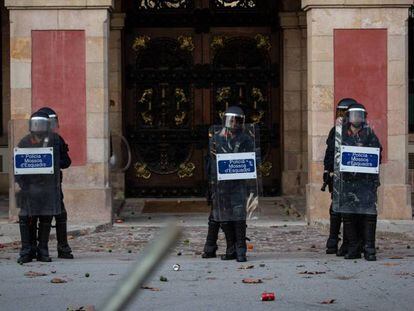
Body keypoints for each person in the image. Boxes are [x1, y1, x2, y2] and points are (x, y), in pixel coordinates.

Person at [209, 106, 259, 262]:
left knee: (238, 215)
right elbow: (211, 160)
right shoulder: (217, 137)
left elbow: (255, 159)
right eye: (232, 120)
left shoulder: (245, 139)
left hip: (239, 184)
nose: (234, 124)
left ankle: (241, 249)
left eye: (237, 121)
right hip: (221, 183)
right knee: (224, 216)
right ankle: (231, 248)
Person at [335, 103, 382, 261]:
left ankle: (369, 248)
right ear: (348, 116)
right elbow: (335, 153)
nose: (357, 118)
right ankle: (353, 247)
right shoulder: (342, 133)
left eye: (359, 115)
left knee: (369, 214)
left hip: (366, 182)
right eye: (354, 115)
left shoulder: (369, 133)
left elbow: (377, 154)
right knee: (348, 214)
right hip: (347, 181)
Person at [16, 111, 61, 263]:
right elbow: (18, 164)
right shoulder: (24, 142)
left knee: (46, 218)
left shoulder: (53, 141)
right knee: (25, 217)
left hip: (47, 188)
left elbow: (58, 164)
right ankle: (26, 250)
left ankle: (43, 250)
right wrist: (24, 186)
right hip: (29, 189)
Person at [37, 107, 73, 259]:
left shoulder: (57, 140)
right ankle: (42, 249)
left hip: (54, 184)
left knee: (60, 215)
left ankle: (62, 248)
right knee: (43, 216)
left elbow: (66, 162)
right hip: (38, 184)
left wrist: (54, 161)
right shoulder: (32, 140)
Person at [323, 98, 357, 256]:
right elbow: (330, 152)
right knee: (335, 207)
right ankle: (332, 240)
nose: (341, 116)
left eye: (345, 113)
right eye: (339, 112)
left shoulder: (359, 131)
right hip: (337, 175)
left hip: (353, 177)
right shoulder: (334, 131)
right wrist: (326, 170)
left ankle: (349, 242)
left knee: (349, 210)